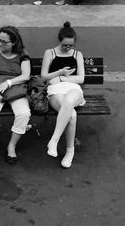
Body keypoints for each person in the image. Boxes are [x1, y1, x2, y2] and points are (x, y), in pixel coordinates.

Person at [0, 26, 31, 164]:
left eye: (5, 42)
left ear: (13, 43)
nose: (0, 44)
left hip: (16, 91)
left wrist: (9, 82)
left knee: (24, 114)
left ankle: (12, 146)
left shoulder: (22, 54)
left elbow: (26, 75)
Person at [40, 21, 86, 168]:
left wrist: (61, 78)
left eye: (71, 45)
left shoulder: (77, 54)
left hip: (73, 89)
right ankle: (69, 150)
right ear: (60, 41)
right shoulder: (50, 53)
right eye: (65, 45)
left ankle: (54, 140)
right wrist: (60, 73)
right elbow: (44, 76)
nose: (68, 48)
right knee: (71, 115)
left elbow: (80, 78)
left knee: (69, 99)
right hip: (55, 90)